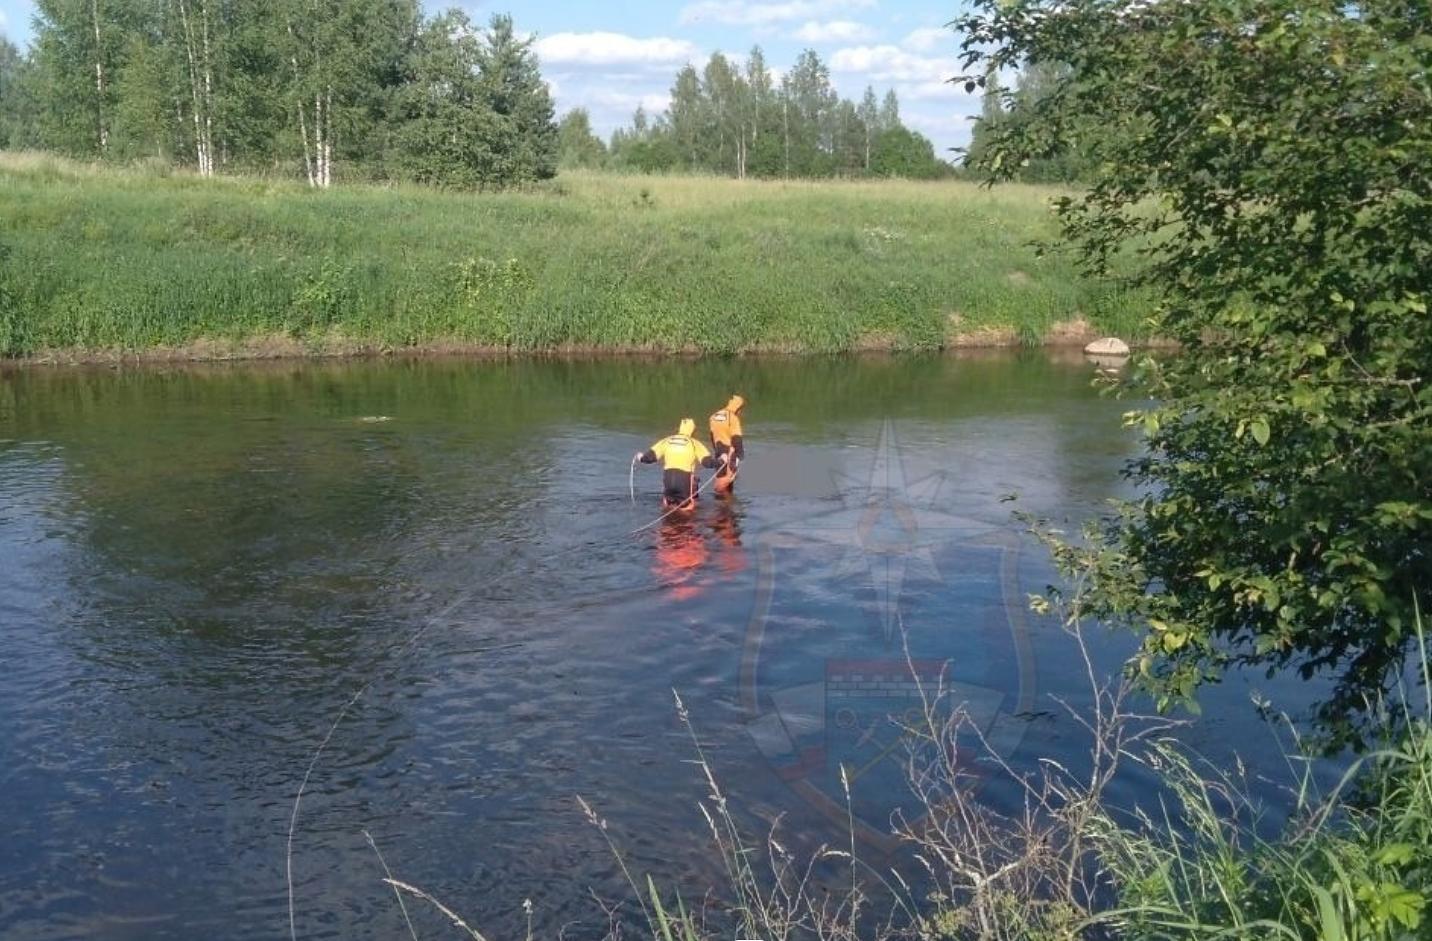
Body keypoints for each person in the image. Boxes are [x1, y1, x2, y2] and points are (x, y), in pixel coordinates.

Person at [636, 418, 726, 509]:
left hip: (668, 478)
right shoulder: (694, 443)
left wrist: (641, 457)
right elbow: (708, 463)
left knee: (668, 505)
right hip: (684, 479)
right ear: (693, 431)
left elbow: (649, 457)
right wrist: (722, 460)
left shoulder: (667, 440)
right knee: (686, 509)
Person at [708, 394, 746, 493]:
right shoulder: (733, 418)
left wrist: (716, 451)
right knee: (728, 481)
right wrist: (740, 457)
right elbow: (737, 439)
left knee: (720, 477)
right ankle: (728, 504)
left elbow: (712, 436)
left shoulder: (714, 416)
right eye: (741, 409)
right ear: (738, 408)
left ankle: (719, 504)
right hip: (730, 452)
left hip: (719, 452)